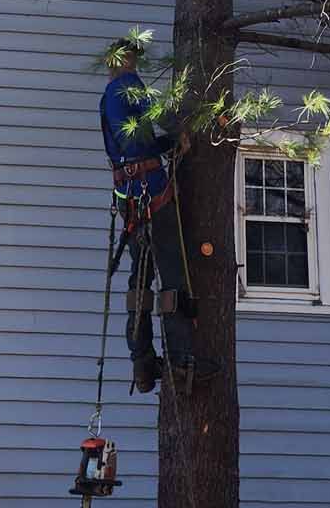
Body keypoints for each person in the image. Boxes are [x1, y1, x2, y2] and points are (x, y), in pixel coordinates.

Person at [99, 38, 216, 394]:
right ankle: (181, 361)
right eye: (131, 58)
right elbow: (156, 116)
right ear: (121, 62)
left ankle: (142, 361)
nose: (134, 64)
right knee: (173, 273)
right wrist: (183, 129)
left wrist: (166, 145)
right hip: (152, 192)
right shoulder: (128, 86)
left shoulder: (107, 98)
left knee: (141, 277)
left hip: (129, 196)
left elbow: (136, 144)